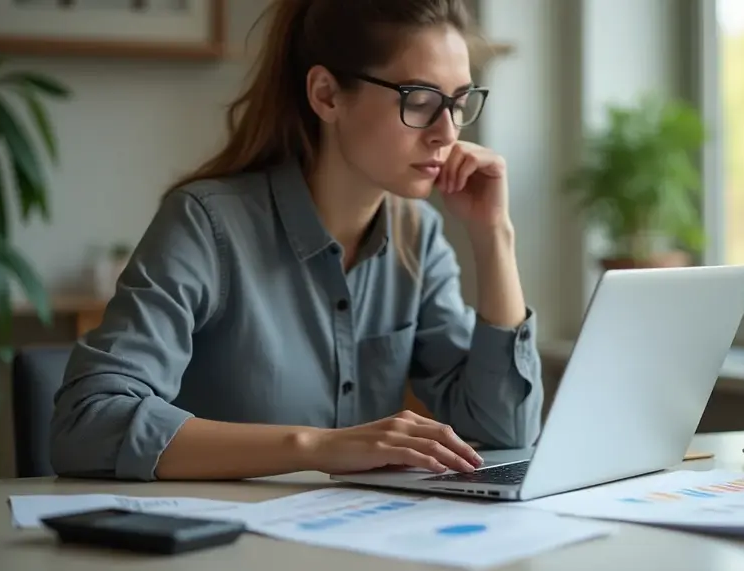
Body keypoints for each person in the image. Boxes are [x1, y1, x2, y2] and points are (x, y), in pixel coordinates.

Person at [49, 0, 543, 482]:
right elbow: (86, 423)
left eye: (458, 103)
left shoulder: (419, 237)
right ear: (326, 95)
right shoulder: (206, 224)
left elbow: (505, 432)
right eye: (419, 100)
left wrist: (495, 234)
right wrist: (318, 447)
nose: (447, 133)